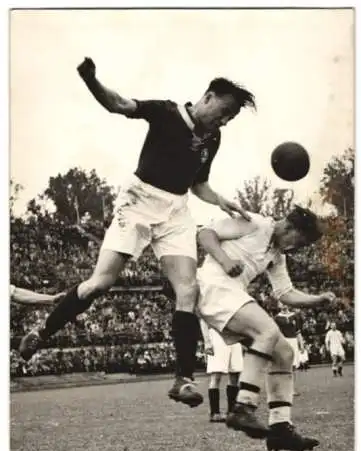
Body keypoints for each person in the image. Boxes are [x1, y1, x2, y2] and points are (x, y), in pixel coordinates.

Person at [19, 57, 255, 409]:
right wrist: (91, 80)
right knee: (100, 283)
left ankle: (183, 379)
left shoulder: (213, 138)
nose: (224, 121)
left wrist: (222, 201)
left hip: (176, 210)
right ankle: (42, 332)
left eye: (230, 118)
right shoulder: (165, 112)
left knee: (187, 289)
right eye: (224, 111)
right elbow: (118, 104)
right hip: (139, 201)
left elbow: (198, 184)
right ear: (207, 97)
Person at [196, 205, 337, 451]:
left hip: (230, 295)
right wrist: (225, 260)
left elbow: (285, 293)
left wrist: (317, 299)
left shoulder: (277, 254)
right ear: (289, 227)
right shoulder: (255, 223)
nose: (296, 248)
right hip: (211, 287)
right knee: (268, 332)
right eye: (299, 242)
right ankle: (243, 407)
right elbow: (205, 234)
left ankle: (281, 428)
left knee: (284, 353)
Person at [201, 319, 243, 422]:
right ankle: (215, 413)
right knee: (216, 375)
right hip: (217, 335)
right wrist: (207, 341)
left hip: (234, 335)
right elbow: (203, 320)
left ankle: (231, 412)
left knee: (235, 374)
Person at [274, 304, 302, 395]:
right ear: (279, 305)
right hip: (284, 341)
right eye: (281, 303)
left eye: (285, 303)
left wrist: (301, 344)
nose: (283, 305)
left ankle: (292, 389)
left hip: (293, 341)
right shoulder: (277, 318)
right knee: (284, 366)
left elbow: (298, 332)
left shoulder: (294, 316)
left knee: (293, 366)